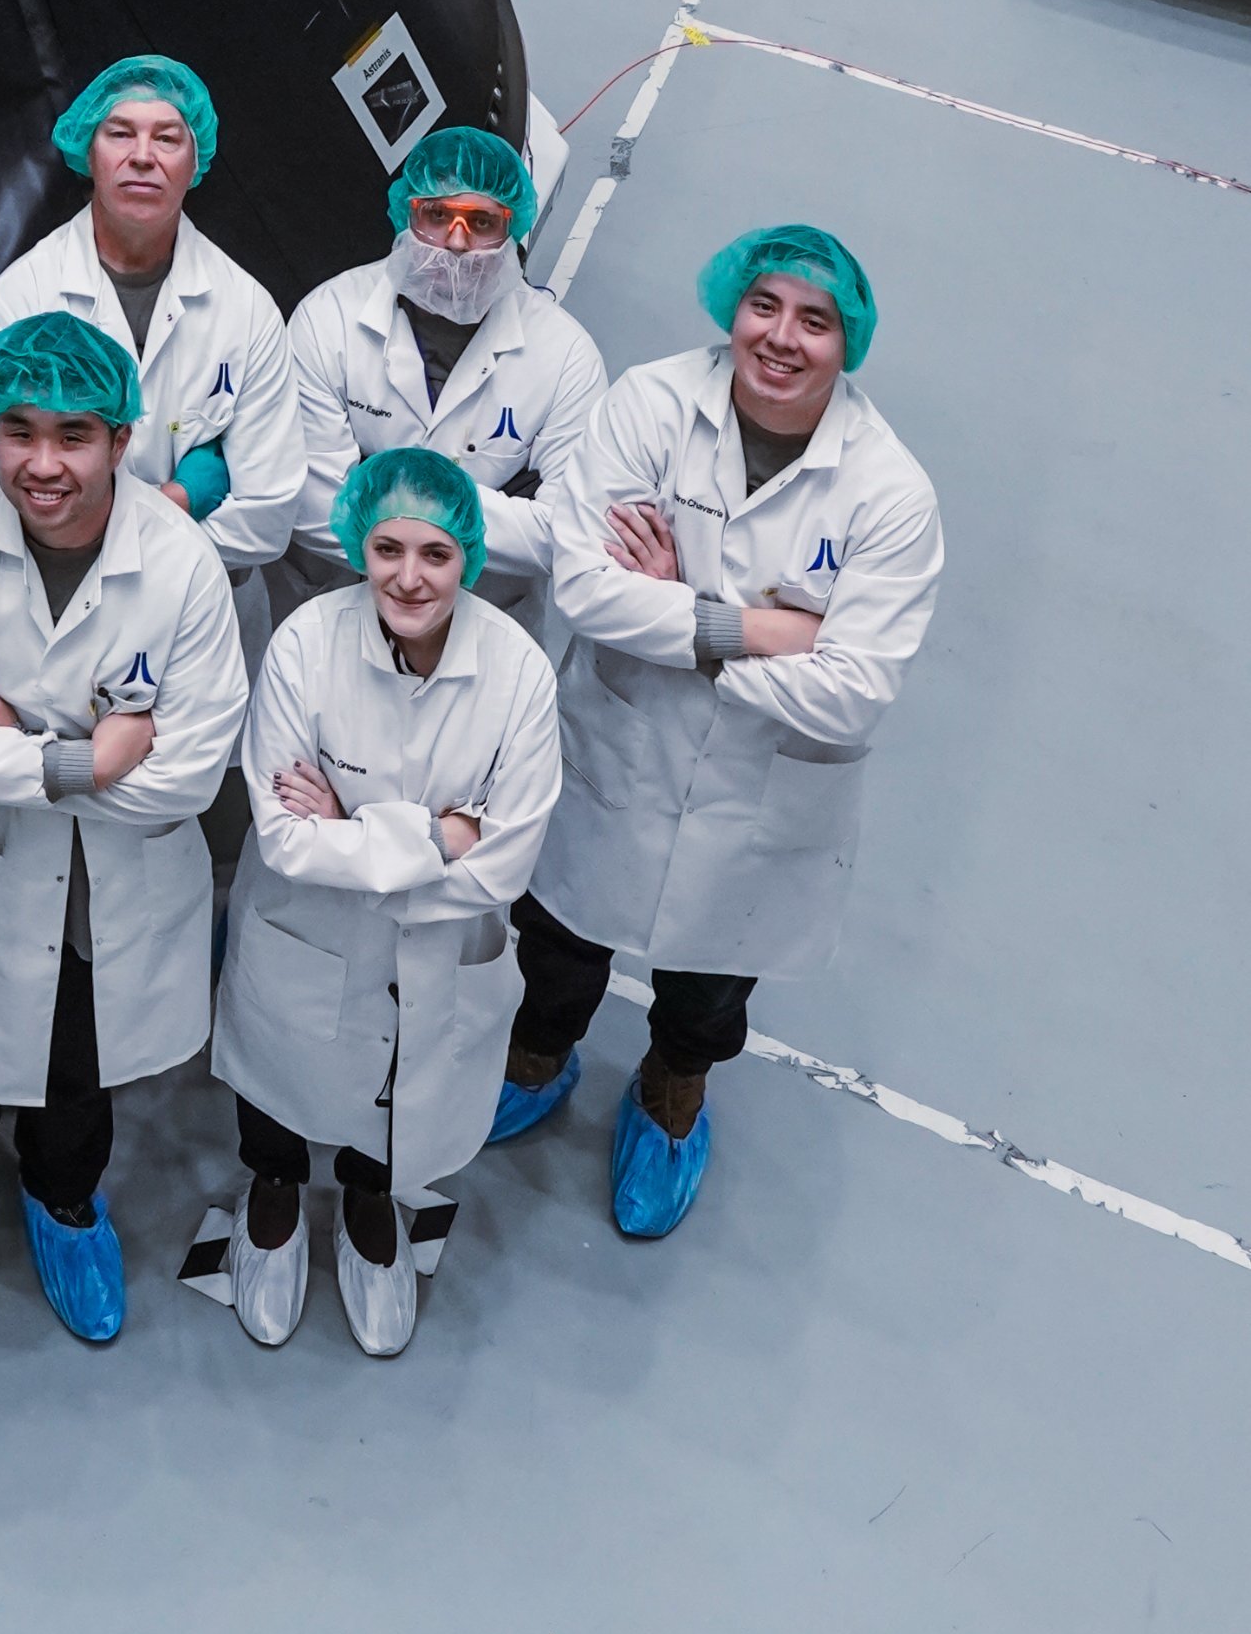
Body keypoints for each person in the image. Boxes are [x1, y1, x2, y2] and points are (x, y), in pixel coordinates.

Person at [494, 224, 942, 1238]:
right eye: (764, 307)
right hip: (617, 745)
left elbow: (855, 691)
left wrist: (691, 618)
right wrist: (772, 632)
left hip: (759, 792)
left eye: (814, 320)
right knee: (560, 937)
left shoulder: (888, 492)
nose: (781, 337)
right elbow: (586, 588)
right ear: (730, 308)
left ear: (849, 340)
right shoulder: (651, 406)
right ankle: (537, 1052)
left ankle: (670, 1093)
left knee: (707, 981)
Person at [0, 312, 247, 1341]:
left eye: (73, 435)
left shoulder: (179, 567)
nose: (40, 463)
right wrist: (82, 755)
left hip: (112, 882)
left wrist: (10, 742)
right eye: (17, 430)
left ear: (123, 442)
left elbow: (190, 774)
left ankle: (64, 1201)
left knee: (78, 1066)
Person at [212, 449, 561, 1358]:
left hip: (441, 955)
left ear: (470, 560)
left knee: (402, 1095)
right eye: (387, 548)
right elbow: (286, 842)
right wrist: (440, 836)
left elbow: (508, 864)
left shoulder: (518, 674)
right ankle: (274, 1199)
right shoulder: (304, 646)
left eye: (436, 555)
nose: (409, 577)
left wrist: (353, 831)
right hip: (304, 937)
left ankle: (372, 1210)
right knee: (280, 1090)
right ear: (357, 547)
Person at [0, 55, 305, 574]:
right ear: (88, 152)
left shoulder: (247, 309)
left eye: (168, 138)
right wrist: (186, 497)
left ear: (197, 162)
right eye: (120, 134)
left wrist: (105, 536)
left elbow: (268, 518)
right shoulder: (24, 297)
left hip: (212, 601)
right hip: (53, 590)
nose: (142, 156)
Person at [283, 127, 603, 638]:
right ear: (405, 215)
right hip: (330, 604)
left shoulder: (565, 357)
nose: (456, 242)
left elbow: (564, 533)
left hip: (485, 624)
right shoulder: (328, 320)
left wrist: (374, 489)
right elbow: (307, 501)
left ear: (513, 227)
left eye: (480, 222)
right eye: (436, 216)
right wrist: (486, 512)